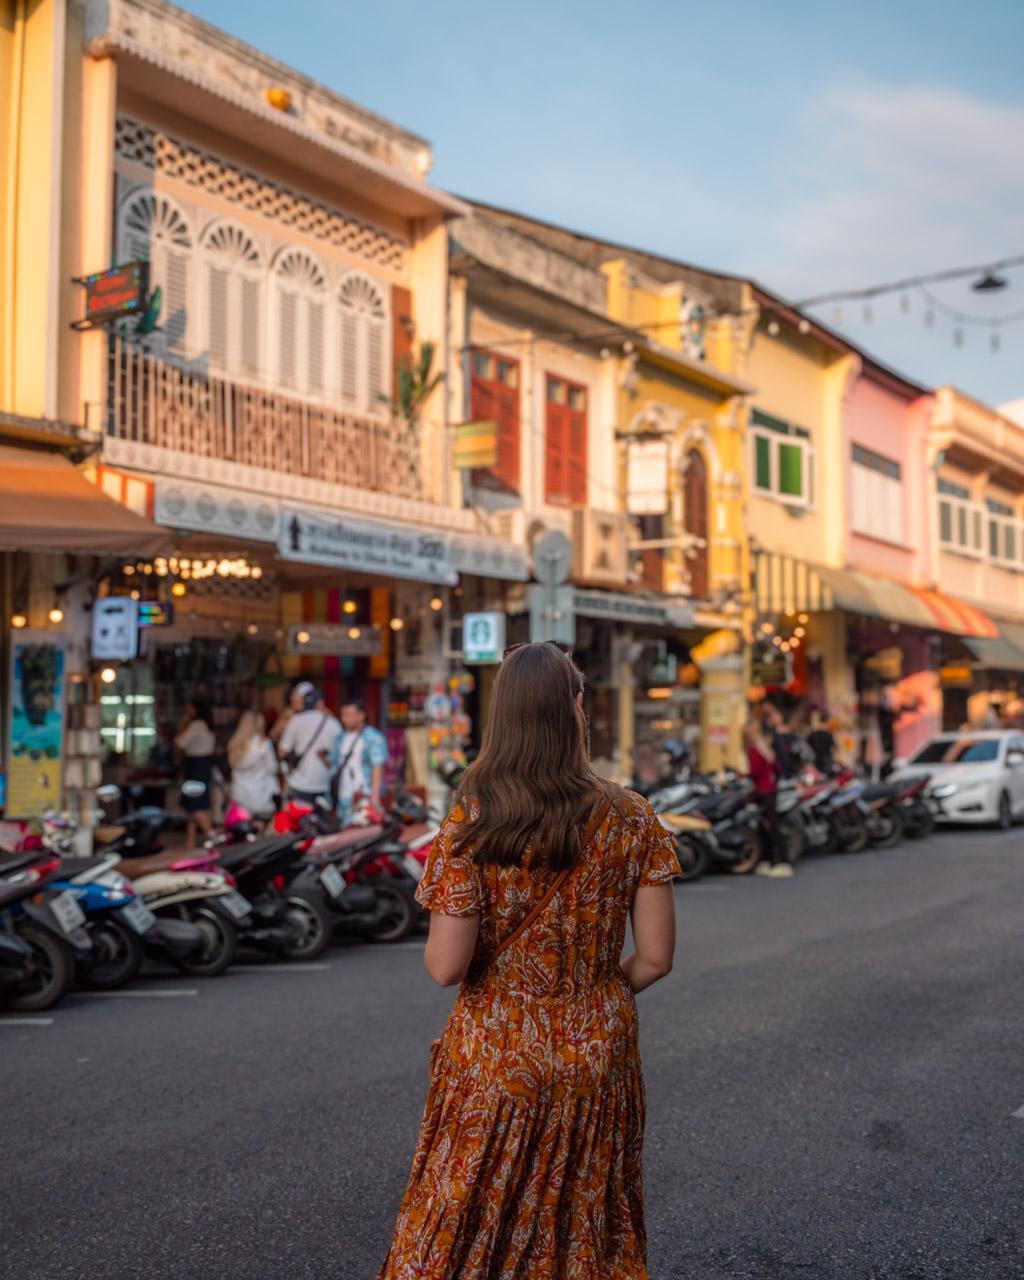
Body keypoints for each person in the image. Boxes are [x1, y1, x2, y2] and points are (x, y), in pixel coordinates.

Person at [378, 641, 680, 1279]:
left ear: (503, 714)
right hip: (598, 1047)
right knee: (584, 1213)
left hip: (497, 1049)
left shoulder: (474, 817)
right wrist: (592, 998)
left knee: (469, 1212)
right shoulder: (632, 817)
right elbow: (655, 958)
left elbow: (445, 967)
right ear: (576, 707)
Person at [745, 706, 792, 878]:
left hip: (763, 791)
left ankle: (781, 862)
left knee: (769, 827)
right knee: (771, 826)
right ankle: (772, 861)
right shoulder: (766, 748)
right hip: (771, 789)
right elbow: (777, 769)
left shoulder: (753, 750)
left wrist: (743, 774)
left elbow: (755, 772)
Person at [276, 682, 341, 806]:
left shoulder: (295, 720)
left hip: (300, 783)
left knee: (297, 820)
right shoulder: (334, 722)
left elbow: (281, 751)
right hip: (324, 784)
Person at [333, 698, 389, 821]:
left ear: (361, 716)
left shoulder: (373, 737)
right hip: (343, 796)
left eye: (349, 715)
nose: (344, 719)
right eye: (343, 715)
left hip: (363, 796)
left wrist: (375, 798)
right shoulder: (340, 738)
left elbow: (377, 767)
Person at [175, 697, 215, 847]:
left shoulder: (196, 725)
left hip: (196, 767)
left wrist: (183, 725)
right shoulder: (206, 725)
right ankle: (190, 841)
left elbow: (179, 743)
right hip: (203, 766)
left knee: (194, 805)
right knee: (196, 805)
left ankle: (212, 835)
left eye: (189, 707)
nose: (187, 711)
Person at [226, 709, 279, 818]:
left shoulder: (235, 744)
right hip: (259, 795)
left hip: (239, 795)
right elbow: (272, 768)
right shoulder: (263, 744)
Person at [807, 706, 836, 775]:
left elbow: (807, 747)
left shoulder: (813, 735)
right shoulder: (829, 735)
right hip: (826, 761)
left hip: (816, 761)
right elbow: (834, 748)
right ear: (827, 722)